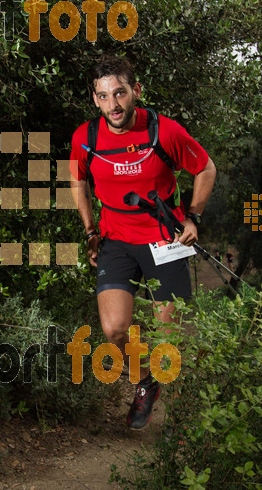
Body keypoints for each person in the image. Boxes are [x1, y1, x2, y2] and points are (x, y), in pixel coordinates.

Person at [69, 55, 217, 430]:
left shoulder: (163, 131)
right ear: (95, 99)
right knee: (114, 330)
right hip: (116, 241)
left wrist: (193, 216)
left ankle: (182, 430)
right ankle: (145, 380)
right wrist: (90, 229)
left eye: (120, 93)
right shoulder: (86, 137)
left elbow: (206, 168)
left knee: (168, 337)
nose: (113, 104)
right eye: (104, 96)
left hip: (165, 239)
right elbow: (77, 180)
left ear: (135, 91)